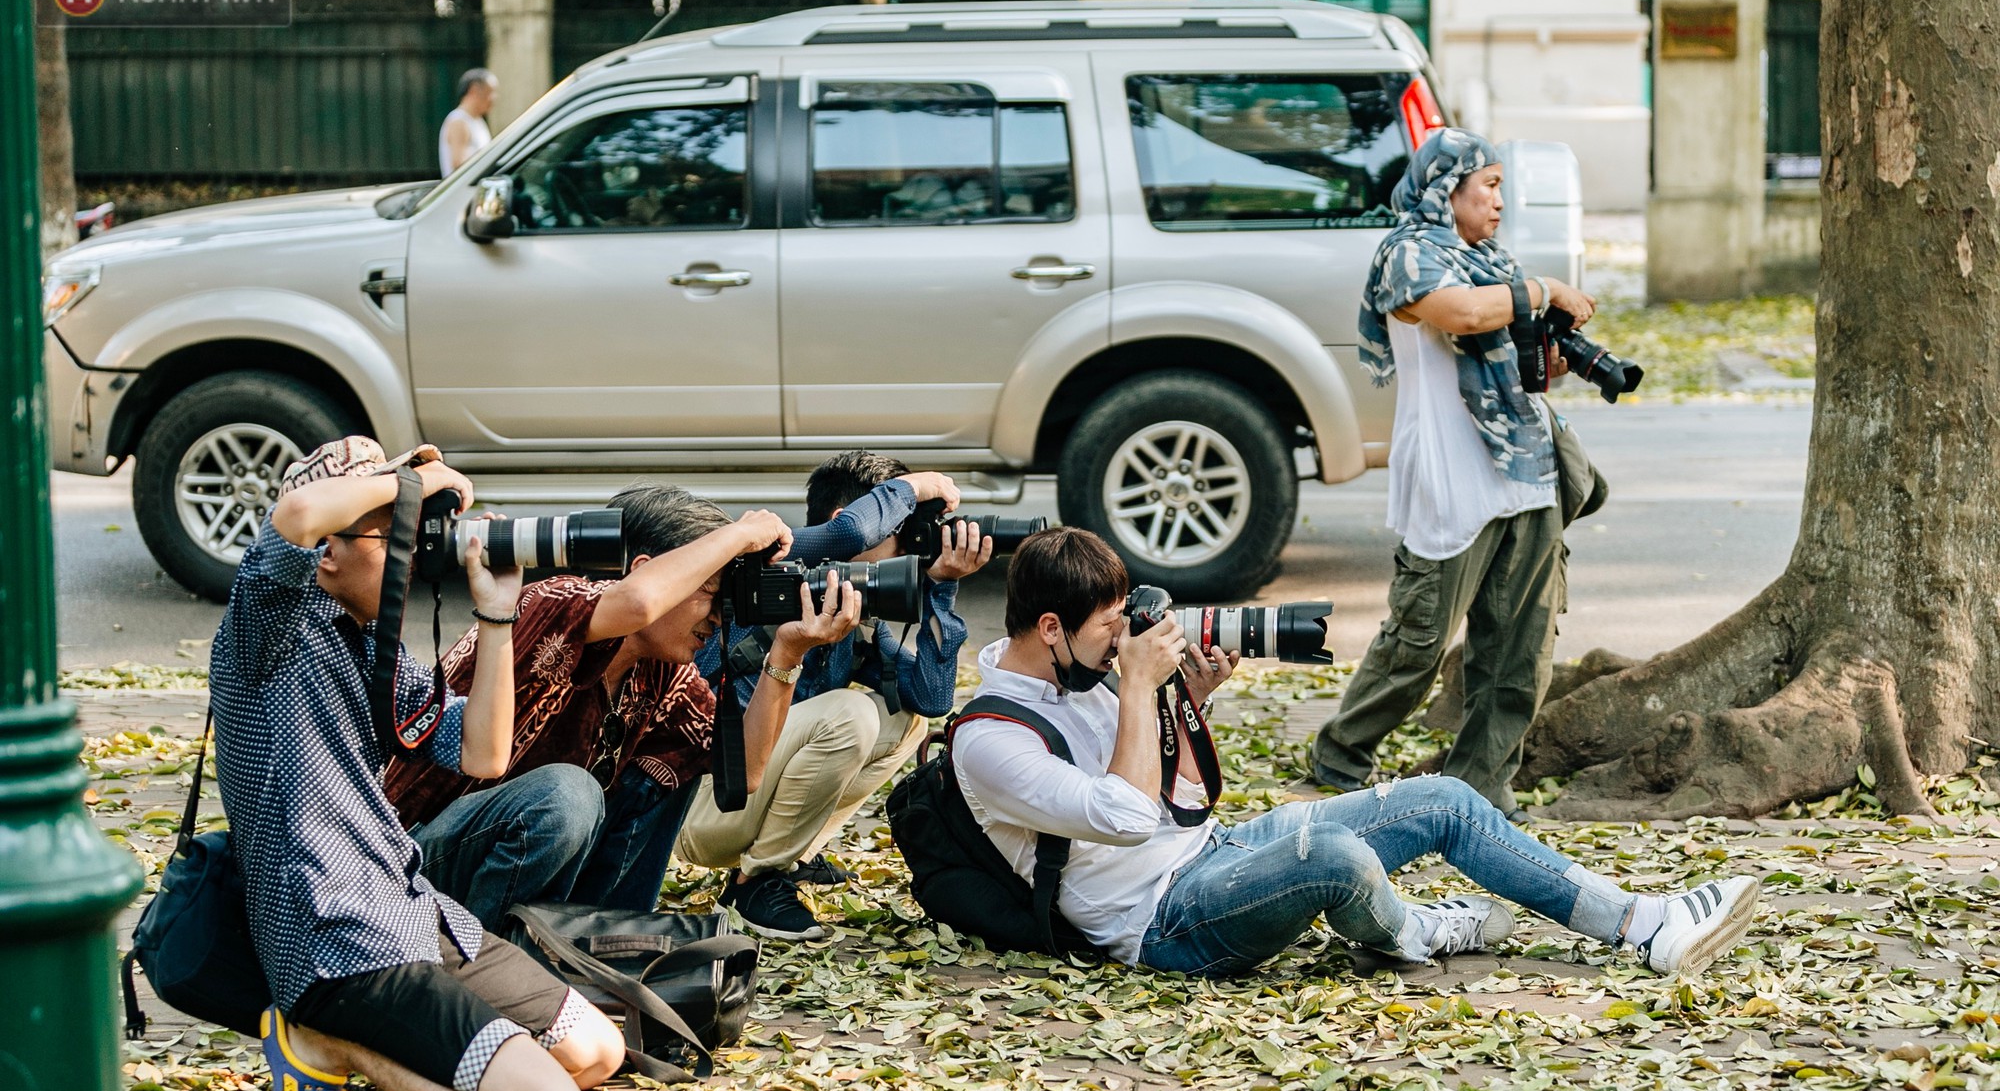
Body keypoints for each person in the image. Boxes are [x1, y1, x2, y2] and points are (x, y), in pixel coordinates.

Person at [953, 526, 1760, 980]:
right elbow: (1127, 822)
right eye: (1107, 627)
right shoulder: (991, 741)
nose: (1120, 642)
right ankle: (1416, 929)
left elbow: (1180, 804)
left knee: (1442, 794)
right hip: (1163, 921)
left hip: (1216, 852)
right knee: (1333, 853)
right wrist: (1135, 688)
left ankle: (1640, 922)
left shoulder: (1089, 669)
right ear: (1050, 628)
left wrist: (1186, 704)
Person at [211, 437, 625, 1091]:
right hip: (335, 938)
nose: (413, 549)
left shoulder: (369, 647)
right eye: (394, 530)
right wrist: (419, 478)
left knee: (596, 1049)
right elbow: (300, 510)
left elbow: (484, 753)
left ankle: (375, 1044)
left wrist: (498, 614)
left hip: (413, 911)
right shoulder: (265, 627)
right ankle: (330, 1041)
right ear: (326, 554)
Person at [386, 485, 860, 922]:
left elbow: (747, 772)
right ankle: (490, 957)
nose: (718, 617)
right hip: (411, 864)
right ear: (646, 572)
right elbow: (635, 603)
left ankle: (599, 938)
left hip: (505, 868)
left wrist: (787, 653)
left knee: (670, 769)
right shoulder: (552, 602)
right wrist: (740, 533)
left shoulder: (662, 673)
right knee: (568, 793)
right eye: (710, 592)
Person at [1310, 128, 1598, 815]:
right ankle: (1340, 754)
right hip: (1449, 472)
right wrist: (1545, 289)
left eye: (1501, 186)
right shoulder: (1408, 254)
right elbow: (1463, 314)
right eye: (1489, 185)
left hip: (1523, 468)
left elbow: (1508, 352)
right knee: (1419, 639)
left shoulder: (1490, 259)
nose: (1500, 200)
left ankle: (1481, 786)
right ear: (1447, 189)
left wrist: (1549, 359)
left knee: (1520, 645)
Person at [684, 452, 992, 940]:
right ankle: (757, 885)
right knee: (849, 714)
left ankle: (782, 860)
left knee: (902, 721)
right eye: (904, 532)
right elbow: (848, 537)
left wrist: (941, 588)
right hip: (697, 805)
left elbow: (931, 699)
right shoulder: (767, 567)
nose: (911, 548)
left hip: (741, 794)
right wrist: (920, 484)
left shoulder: (852, 615)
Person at [440, 68, 497, 177]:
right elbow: (460, 165)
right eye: (490, 92)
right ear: (473, 90)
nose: (493, 98)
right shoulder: (459, 122)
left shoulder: (477, 121)